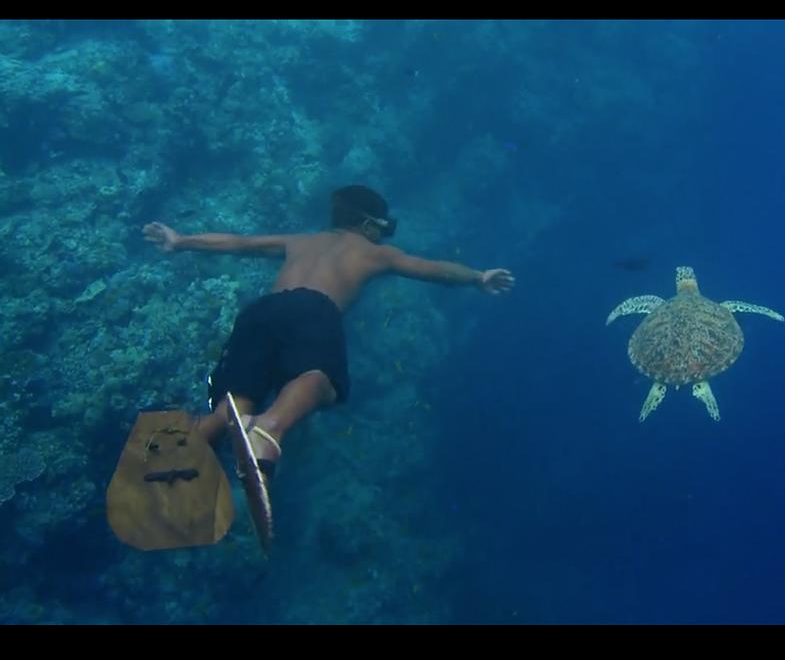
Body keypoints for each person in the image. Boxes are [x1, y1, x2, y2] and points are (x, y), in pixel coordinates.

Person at [142, 184, 514, 485]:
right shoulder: (375, 253)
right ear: (370, 225)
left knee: (240, 394)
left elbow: (239, 243)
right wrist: (476, 277)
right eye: (385, 229)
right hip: (314, 309)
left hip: (261, 312)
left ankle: (201, 435)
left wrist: (181, 240)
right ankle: (270, 429)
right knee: (320, 380)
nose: (383, 238)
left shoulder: (300, 241)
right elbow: (431, 269)